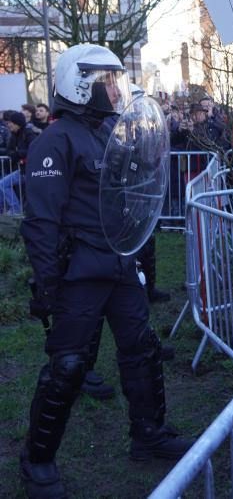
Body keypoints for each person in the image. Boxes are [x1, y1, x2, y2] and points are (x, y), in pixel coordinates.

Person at [20, 44, 192, 499]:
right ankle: (37, 460)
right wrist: (49, 285)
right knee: (69, 367)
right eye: (106, 81)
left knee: (141, 349)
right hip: (78, 273)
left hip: (118, 263)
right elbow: (40, 221)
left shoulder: (108, 130)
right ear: (79, 83)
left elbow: (133, 185)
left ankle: (147, 434)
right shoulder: (55, 141)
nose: (115, 89)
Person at [0, 110, 37, 213]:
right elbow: (9, 151)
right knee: (3, 184)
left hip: (32, 170)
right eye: (8, 122)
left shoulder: (28, 133)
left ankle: (18, 210)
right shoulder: (13, 135)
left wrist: (17, 153)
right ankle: (16, 209)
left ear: (17, 123)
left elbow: (33, 149)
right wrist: (16, 153)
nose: (8, 124)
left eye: (11, 122)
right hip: (22, 170)